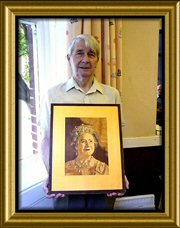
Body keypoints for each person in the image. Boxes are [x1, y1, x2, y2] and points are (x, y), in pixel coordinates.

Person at [40, 34, 129, 211]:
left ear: (97, 60)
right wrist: (53, 174)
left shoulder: (112, 95)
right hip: (65, 187)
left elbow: (115, 141)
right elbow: (46, 140)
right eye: (79, 53)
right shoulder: (53, 94)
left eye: (91, 54)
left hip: (104, 185)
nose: (85, 59)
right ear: (69, 58)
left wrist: (120, 174)